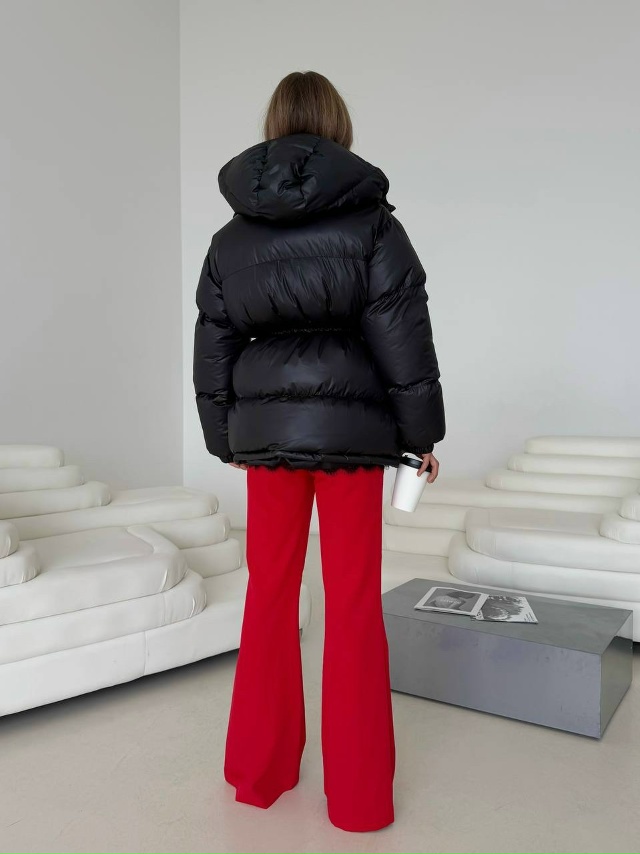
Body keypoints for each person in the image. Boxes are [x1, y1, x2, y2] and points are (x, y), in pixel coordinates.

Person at [193, 70, 446, 833]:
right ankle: (360, 800)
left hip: (267, 441)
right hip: (352, 440)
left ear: (273, 126)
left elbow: (213, 342)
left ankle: (259, 774)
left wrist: (224, 437)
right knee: (353, 605)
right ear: (339, 126)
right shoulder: (372, 224)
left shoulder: (231, 238)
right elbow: (403, 335)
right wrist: (419, 437)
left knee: (269, 598)